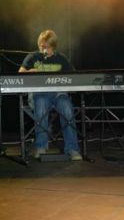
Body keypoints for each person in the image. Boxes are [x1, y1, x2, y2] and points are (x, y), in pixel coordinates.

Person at [19, 29, 82, 161]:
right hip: (38, 93)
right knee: (41, 102)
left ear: (53, 46)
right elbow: (20, 74)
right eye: (42, 45)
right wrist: (30, 72)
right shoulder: (33, 56)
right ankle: (41, 146)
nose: (44, 48)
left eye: (47, 46)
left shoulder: (61, 58)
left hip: (58, 93)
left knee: (66, 105)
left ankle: (72, 148)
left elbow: (74, 76)